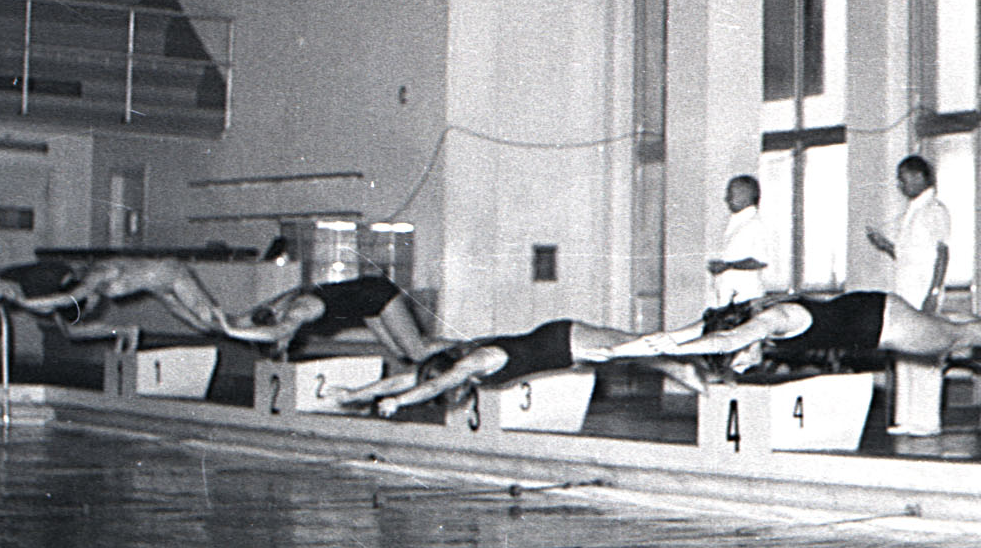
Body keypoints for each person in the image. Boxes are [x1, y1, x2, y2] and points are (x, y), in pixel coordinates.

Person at [605, 290, 981, 381]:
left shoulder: (772, 320)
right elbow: (695, 331)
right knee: (952, 330)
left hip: (882, 323)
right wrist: (622, 349)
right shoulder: (740, 323)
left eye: (740, 362)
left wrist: (674, 348)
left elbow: (724, 342)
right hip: (875, 317)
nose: (744, 368)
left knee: (957, 339)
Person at [333, 318, 663, 415]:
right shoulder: (458, 367)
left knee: (641, 344)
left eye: (452, 391)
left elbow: (433, 385)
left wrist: (398, 403)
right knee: (643, 353)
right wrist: (354, 394)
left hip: (565, 339)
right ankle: (683, 359)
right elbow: (402, 381)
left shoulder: (477, 362)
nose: (455, 397)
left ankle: (692, 348)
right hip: (563, 354)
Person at [0, 254, 230, 347]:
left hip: (51, 286)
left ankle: (239, 325)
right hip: (51, 285)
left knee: (210, 321)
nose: (93, 306)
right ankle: (123, 331)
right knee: (71, 331)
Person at [865, 154, 951, 436]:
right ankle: (907, 417)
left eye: (903, 179)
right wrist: (885, 246)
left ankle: (928, 421)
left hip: (923, 291)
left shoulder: (934, 210)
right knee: (904, 352)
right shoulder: (912, 211)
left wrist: (934, 292)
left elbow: (942, 253)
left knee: (925, 354)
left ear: (918, 177)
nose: (900, 185)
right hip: (905, 292)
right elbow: (908, 257)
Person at [219, 273, 435, 361]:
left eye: (284, 343)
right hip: (366, 305)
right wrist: (220, 322)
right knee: (399, 353)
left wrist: (232, 331)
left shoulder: (298, 312)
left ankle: (456, 348)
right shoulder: (271, 309)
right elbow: (240, 320)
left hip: (379, 294)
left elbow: (277, 332)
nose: (288, 342)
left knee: (416, 352)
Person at [705, 175, 769, 314]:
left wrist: (727, 266)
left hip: (745, 301)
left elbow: (760, 261)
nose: (726, 199)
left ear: (746, 195)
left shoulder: (754, 224)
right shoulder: (738, 223)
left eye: (730, 193)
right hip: (729, 301)